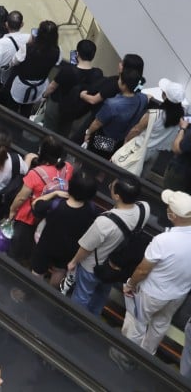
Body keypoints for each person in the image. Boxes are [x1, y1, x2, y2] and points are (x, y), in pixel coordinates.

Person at [120, 190, 191, 354]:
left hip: (151, 293)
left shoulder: (163, 240)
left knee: (136, 323)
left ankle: (126, 356)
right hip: (178, 294)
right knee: (160, 325)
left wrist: (131, 284)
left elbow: (143, 270)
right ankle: (148, 355)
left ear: (173, 215)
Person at [66, 176, 148, 315]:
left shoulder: (104, 222)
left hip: (92, 267)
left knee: (82, 295)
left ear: (117, 196)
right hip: (115, 266)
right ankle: (93, 318)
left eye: (112, 186)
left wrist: (73, 262)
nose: (109, 185)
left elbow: (86, 248)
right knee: (101, 295)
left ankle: (74, 320)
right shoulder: (144, 208)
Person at [30, 170, 100, 288]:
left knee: (37, 271)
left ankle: (31, 291)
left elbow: (35, 204)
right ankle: (50, 293)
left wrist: (54, 193)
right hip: (69, 249)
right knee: (60, 271)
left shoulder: (55, 205)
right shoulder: (92, 210)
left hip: (46, 245)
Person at [84, 68, 148, 158]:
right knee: (107, 162)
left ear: (124, 85)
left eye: (120, 79)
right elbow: (148, 97)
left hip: (105, 139)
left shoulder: (112, 104)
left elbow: (97, 123)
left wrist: (88, 133)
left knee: (94, 159)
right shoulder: (143, 99)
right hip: (121, 141)